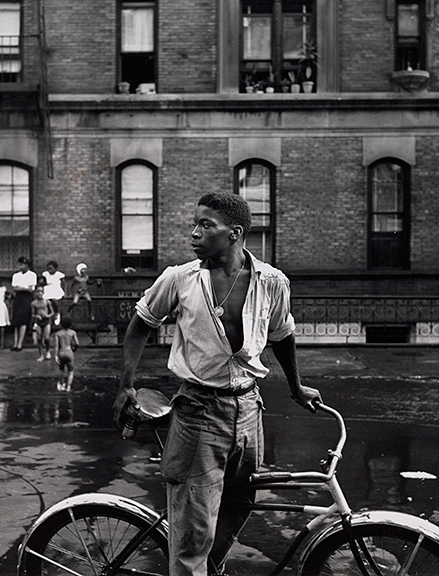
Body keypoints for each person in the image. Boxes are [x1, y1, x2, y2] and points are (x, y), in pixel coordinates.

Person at [113, 191, 322, 576]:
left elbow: (282, 335)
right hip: (197, 412)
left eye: (205, 225)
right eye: (194, 224)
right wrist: (126, 384)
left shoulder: (272, 282)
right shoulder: (180, 279)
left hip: (248, 409)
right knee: (194, 532)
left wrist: (296, 387)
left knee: (240, 503)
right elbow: (142, 322)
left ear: (234, 233)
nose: (194, 233)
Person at [11, 256, 37, 351]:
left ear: (27, 265)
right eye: (19, 264)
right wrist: (24, 287)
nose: (20, 266)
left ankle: (20, 343)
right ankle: (15, 343)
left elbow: (31, 289)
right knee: (16, 321)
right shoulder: (16, 276)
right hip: (18, 298)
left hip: (26, 298)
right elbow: (14, 288)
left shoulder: (32, 275)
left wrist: (21, 287)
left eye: (22, 264)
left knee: (23, 320)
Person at [54, 315, 79, 392]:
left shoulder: (58, 334)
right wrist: (74, 350)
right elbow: (77, 343)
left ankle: (62, 385)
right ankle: (68, 387)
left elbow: (56, 346)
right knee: (71, 371)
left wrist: (55, 355)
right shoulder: (72, 333)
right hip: (69, 352)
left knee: (61, 370)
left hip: (61, 352)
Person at [31, 285, 54, 361]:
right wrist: (36, 316)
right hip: (39, 321)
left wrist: (48, 315)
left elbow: (52, 312)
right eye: (38, 291)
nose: (39, 293)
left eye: (41, 291)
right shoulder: (34, 303)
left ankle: (47, 351)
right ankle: (40, 355)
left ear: (43, 292)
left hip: (46, 321)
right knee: (39, 338)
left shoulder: (47, 302)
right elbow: (32, 314)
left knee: (47, 338)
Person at [42, 260, 65, 325]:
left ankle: (57, 314)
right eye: (48, 269)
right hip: (48, 289)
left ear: (55, 268)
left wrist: (65, 292)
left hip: (56, 288)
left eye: (51, 269)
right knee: (47, 303)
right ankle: (48, 318)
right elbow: (43, 282)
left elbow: (64, 284)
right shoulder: (46, 274)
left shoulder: (59, 275)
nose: (49, 270)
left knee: (55, 301)